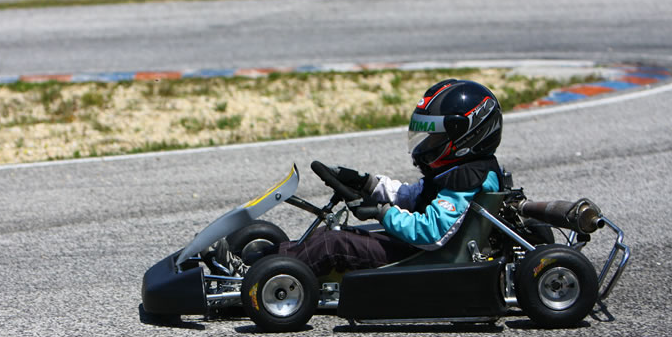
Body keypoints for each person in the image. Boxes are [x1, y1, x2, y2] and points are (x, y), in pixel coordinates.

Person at [208, 78, 505, 277]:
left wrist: (382, 213)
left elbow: (430, 233)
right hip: (421, 248)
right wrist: (368, 185)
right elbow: (416, 198)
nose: (426, 145)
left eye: (434, 137)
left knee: (334, 244)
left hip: (429, 259)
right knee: (333, 235)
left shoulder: (468, 176)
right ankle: (259, 260)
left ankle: (251, 274)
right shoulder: (459, 170)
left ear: (469, 134)